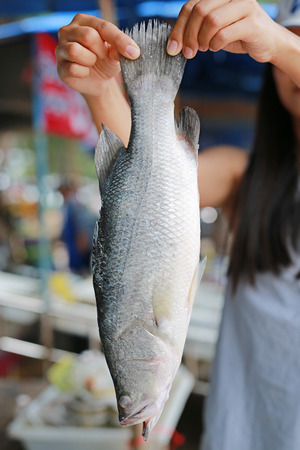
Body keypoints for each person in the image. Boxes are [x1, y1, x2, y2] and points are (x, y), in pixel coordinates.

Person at [56, 0, 300, 448]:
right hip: (240, 429)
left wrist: (282, 44)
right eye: (293, 38)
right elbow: (148, 183)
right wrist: (102, 90)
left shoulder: (281, 54)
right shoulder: (241, 176)